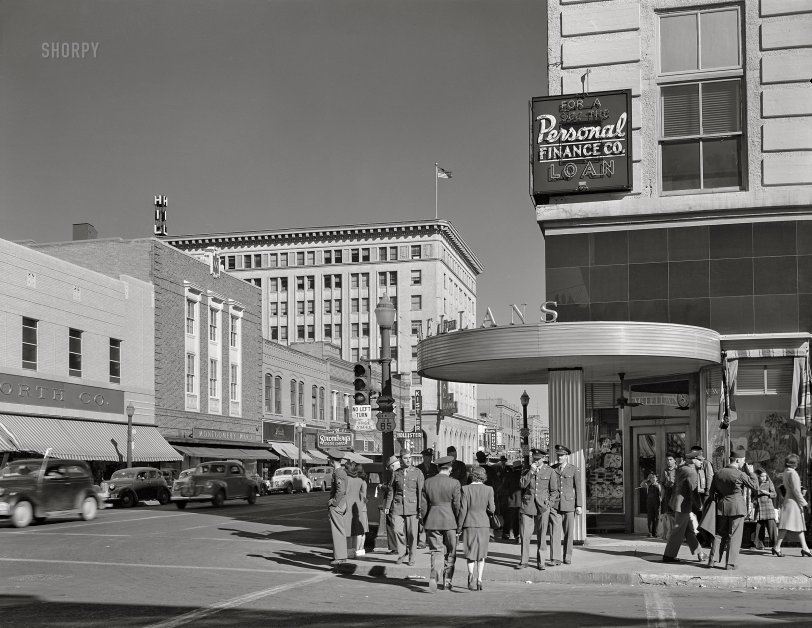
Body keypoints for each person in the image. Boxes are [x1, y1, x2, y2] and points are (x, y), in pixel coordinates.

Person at [706, 449, 759, 570]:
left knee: (719, 534)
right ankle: (730, 563)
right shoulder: (740, 474)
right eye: (743, 460)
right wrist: (751, 473)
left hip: (722, 507)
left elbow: (711, 492)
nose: (744, 463)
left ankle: (712, 560)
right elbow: (755, 486)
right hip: (737, 507)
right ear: (738, 460)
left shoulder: (718, 473)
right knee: (734, 535)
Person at [421, 455, 461, 592]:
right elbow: (457, 505)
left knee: (436, 550)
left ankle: (434, 574)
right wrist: (458, 522)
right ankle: (447, 581)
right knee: (451, 552)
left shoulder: (428, 482)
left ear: (438, 468)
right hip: (450, 521)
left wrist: (424, 520)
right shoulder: (454, 483)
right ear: (450, 468)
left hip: (432, 520)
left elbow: (424, 506)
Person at [517, 448, 560, 570]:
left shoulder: (550, 471)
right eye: (534, 459)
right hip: (528, 505)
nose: (536, 461)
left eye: (538, 459)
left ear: (543, 459)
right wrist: (530, 472)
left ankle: (541, 561)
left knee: (541, 535)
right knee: (525, 534)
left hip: (543, 506)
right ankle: (524, 561)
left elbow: (554, 491)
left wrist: (549, 503)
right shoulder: (527, 470)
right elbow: (522, 485)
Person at [663, 450, 707, 564]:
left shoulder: (681, 468)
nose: (702, 462)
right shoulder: (691, 472)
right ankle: (669, 555)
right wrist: (699, 505)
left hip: (678, 503)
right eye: (700, 460)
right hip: (683, 505)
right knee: (678, 530)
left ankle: (700, 552)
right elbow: (694, 491)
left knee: (688, 530)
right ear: (693, 460)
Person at [458, 465, 495, 591]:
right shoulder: (489, 489)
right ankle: (479, 580)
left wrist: (459, 526)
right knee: (481, 554)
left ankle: (470, 575)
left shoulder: (465, 489)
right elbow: (492, 509)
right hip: (484, 524)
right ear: (483, 476)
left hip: (469, 523)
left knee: (470, 553)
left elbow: (463, 509)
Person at [384, 454, 425, 565]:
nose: (408, 460)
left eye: (409, 457)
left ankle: (412, 557)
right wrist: (388, 506)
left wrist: (420, 508)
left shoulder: (417, 472)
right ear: (401, 460)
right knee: (397, 530)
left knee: (412, 533)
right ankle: (402, 553)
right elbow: (391, 490)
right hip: (398, 506)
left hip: (413, 507)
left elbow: (421, 491)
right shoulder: (396, 473)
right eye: (405, 458)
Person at [771, 453, 811, 558]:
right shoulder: (793, 473)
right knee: (792, 526)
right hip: (794, 502)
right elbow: (796, 491)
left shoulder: (786, 472)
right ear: (795, 464)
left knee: (796, 526)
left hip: (790, 501)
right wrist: (805, 503)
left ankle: (804, 548)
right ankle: (777, 547)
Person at [551, 445, 581, 565]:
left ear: (567, 456)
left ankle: (567, 556)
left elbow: (578, 488)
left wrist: (579, 505)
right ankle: (556, 558)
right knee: (555, 532)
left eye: (562, 455)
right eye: (558, 455)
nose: (559, 457)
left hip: (569, 504)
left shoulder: (574, 469)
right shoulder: (552, 469)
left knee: (569, 533)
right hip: (555, 505)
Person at [326, 448, 349, 567]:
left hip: (338, 505)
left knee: (338, 531)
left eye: (329, 458)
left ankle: (340, 557)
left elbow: (340, 491)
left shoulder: (339, 472)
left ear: (331, 460)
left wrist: (333, 503)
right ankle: (339, 555)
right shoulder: (340, 472)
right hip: (341, 504)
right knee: (338, 530)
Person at [345, 461, 369, 557]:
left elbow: (345, 493)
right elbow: (364, 495)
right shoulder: (360, 480)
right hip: (359, 507)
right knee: (358, 531)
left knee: (349, 532)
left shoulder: (347, 479)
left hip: (349, 507)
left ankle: (350, 552)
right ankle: (358, 550)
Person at [416, 448, 438, 549]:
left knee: (432, 516)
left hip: (433, 495)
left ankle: (431, 538)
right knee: (422, 516)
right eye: (427, 456)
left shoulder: (435, 467)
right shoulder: (418, 468)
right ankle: (422, 540)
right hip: (422, 495)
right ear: (423, 457)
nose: (428, 458)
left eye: (430, 456)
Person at [752, 468, 778, 550]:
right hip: (759, 509)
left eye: (764, 476)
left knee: (772, 528)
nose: (763, 478)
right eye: (761, 476)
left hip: (768, 508)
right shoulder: (755, 484)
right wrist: (754, 501)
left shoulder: (769, 483)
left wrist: (767, 493)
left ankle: (776, 546)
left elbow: (774, 494)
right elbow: (752, 496)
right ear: (758, 477)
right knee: (759, 528)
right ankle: (759, 545)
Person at [501, 459, 522, 542]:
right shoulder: (523, 475)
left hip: (511, 500)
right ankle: (518, 535)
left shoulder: (509, 475)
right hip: (522, 500)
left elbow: (504, 487)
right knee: (521, 519)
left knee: (509, 518)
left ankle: (507, 533)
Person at [640, 473, 662, 537]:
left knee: (657, 518)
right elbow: (641, 484)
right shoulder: (648, 485)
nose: (653, 479)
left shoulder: (659, 485)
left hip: (657, 503)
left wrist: (660, 502)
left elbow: (661, 494)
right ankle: (650, 533)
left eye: (654, 477)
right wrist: (647, 479)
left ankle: (656, 533)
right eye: (651, 478)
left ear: (656, 478)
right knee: (650, 518)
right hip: (649, 503)